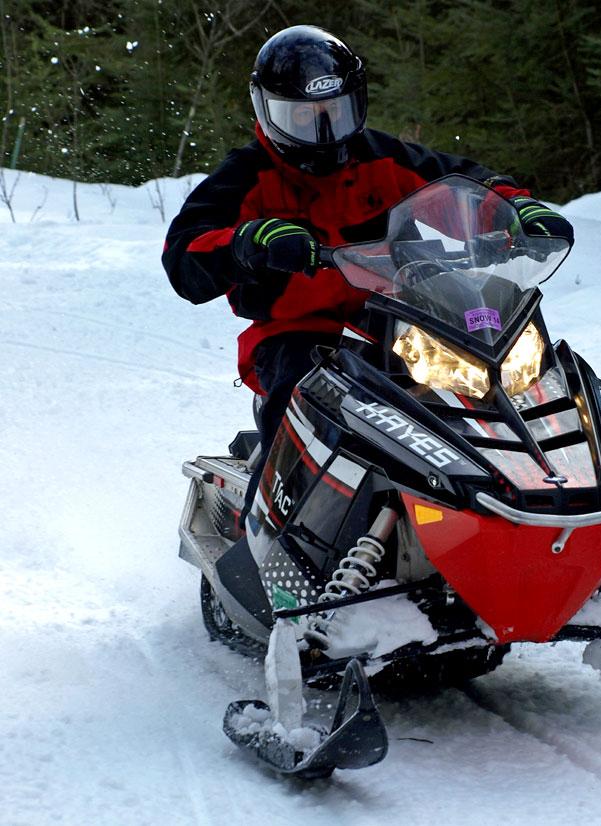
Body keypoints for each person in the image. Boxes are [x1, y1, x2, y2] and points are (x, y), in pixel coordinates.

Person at [162, 25, 573, 515]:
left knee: (505, 369)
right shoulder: (246, 177)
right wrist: (251, 243)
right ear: (267, 111)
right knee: (300, 386)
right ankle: (271, 527)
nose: (324, 131)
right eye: (304, 117)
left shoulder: (381, 157)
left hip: (400, 315)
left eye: (335, 114)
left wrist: (516, 210)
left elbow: (466, 183)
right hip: (300, 331)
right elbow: (184, 255)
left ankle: (552, 489)